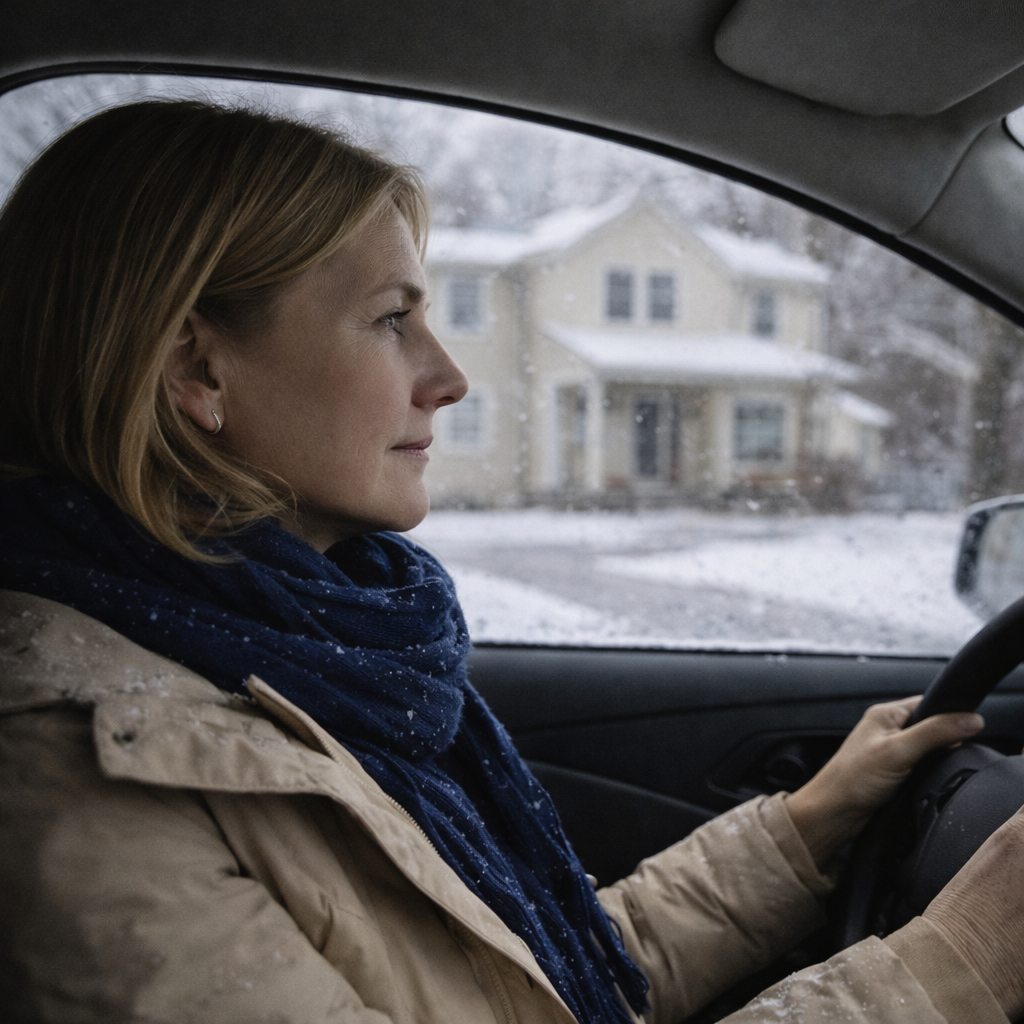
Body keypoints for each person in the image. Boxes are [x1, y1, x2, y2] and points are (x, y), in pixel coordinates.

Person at [0, 99, 1021, 1024]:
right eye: (391, 318)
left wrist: (807, 825)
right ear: (195, 366)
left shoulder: (308, 662)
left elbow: (540, 980)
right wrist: (951, 966)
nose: (447, 375)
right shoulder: (81, 792)